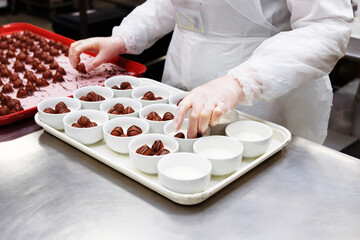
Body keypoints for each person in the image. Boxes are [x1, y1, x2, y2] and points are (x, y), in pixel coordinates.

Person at [69, 0, 353, 143]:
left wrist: (238, 83)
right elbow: (171, 3)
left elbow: (326, 27)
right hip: (184, 74)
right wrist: (123, 38)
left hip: (269, 93)